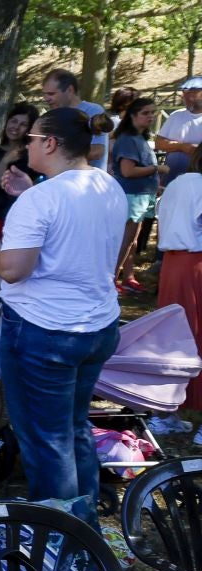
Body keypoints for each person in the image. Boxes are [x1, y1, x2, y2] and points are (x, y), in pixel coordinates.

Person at [0, 109, 125, 524]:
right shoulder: (106, 185)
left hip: (45, 331)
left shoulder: (43, 198)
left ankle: (60, 538)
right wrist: (28, 192)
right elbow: (70, 229)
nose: (26, 147)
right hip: (96, 326)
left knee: (45, 439)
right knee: (74, 428)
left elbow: (14, 269)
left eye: (32, 140)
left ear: (50, 144)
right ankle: (84, 522)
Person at [156, 170, 202, 409]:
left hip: (172, 265)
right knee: (191, 335)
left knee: (170, 337)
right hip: (195, 262)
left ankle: (164, 413)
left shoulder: (178, 183)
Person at [113, 95, 164, 293]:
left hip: (142, 195)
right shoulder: (128, 139)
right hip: (131, 195)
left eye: (153, 112)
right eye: (145, 113)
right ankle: (111, 278)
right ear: (133, 115)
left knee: (133, 240)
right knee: (125, 239)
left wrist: (154, 185)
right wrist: (158, 169)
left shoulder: (140, 138)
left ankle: (128, 276)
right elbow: (127, 171)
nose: (150, 116)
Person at [0, 103, 39, 231]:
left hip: (25, 219)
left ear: (30, 129)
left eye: (23, 124)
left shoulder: (34, 153)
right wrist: (5, 161)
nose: (16, 127)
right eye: (13, 121)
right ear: (7, 122)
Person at [41, 68, 110, 169]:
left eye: (51, 94)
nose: (46, 99)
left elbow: (97, 151)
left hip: (85, 182)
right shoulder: (52, 115)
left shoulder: (93, 111)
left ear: (70, 90)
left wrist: (54, 152)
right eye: (44, 94)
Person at [152, 76, 202, 178]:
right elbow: (158, 143)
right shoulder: (176, 116)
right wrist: (182, 147)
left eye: (191, 92)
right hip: (172, 176)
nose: (185, 97)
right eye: (184, 92)